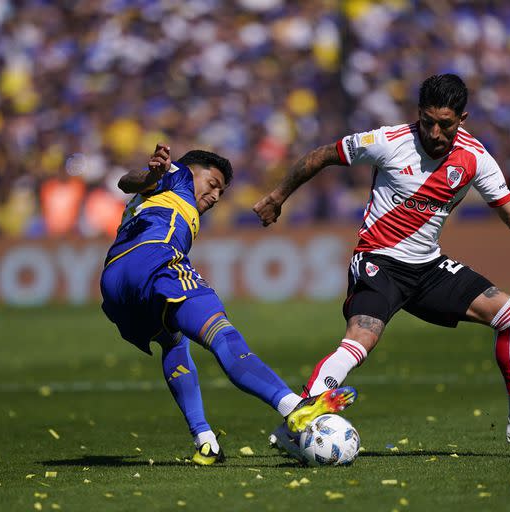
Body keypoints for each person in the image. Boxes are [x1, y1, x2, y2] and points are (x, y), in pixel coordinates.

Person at [254, 74, 510, 454]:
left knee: (509, 312)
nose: (436, 132)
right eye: (428, 121)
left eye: (446, 124)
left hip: (427, 268)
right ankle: (296, 419)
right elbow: (322, 155)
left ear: (463, 118)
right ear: (418, 115)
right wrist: (278, 197)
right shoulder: (389, 141)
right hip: (379, 261)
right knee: (361, 340)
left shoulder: (475, 158)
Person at [100, 144, 357, 465]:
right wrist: (154, 172)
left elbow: (127, 185)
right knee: (221, 333)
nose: (216, 196)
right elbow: (131, 179)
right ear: (191, 172)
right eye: (213, 184)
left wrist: (148, 177)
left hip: (114, 283)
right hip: (154, 259)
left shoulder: (154, 200)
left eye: (222, 191)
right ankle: (295, 407)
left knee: (174, 343)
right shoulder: (177, 176)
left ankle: (204, 439)